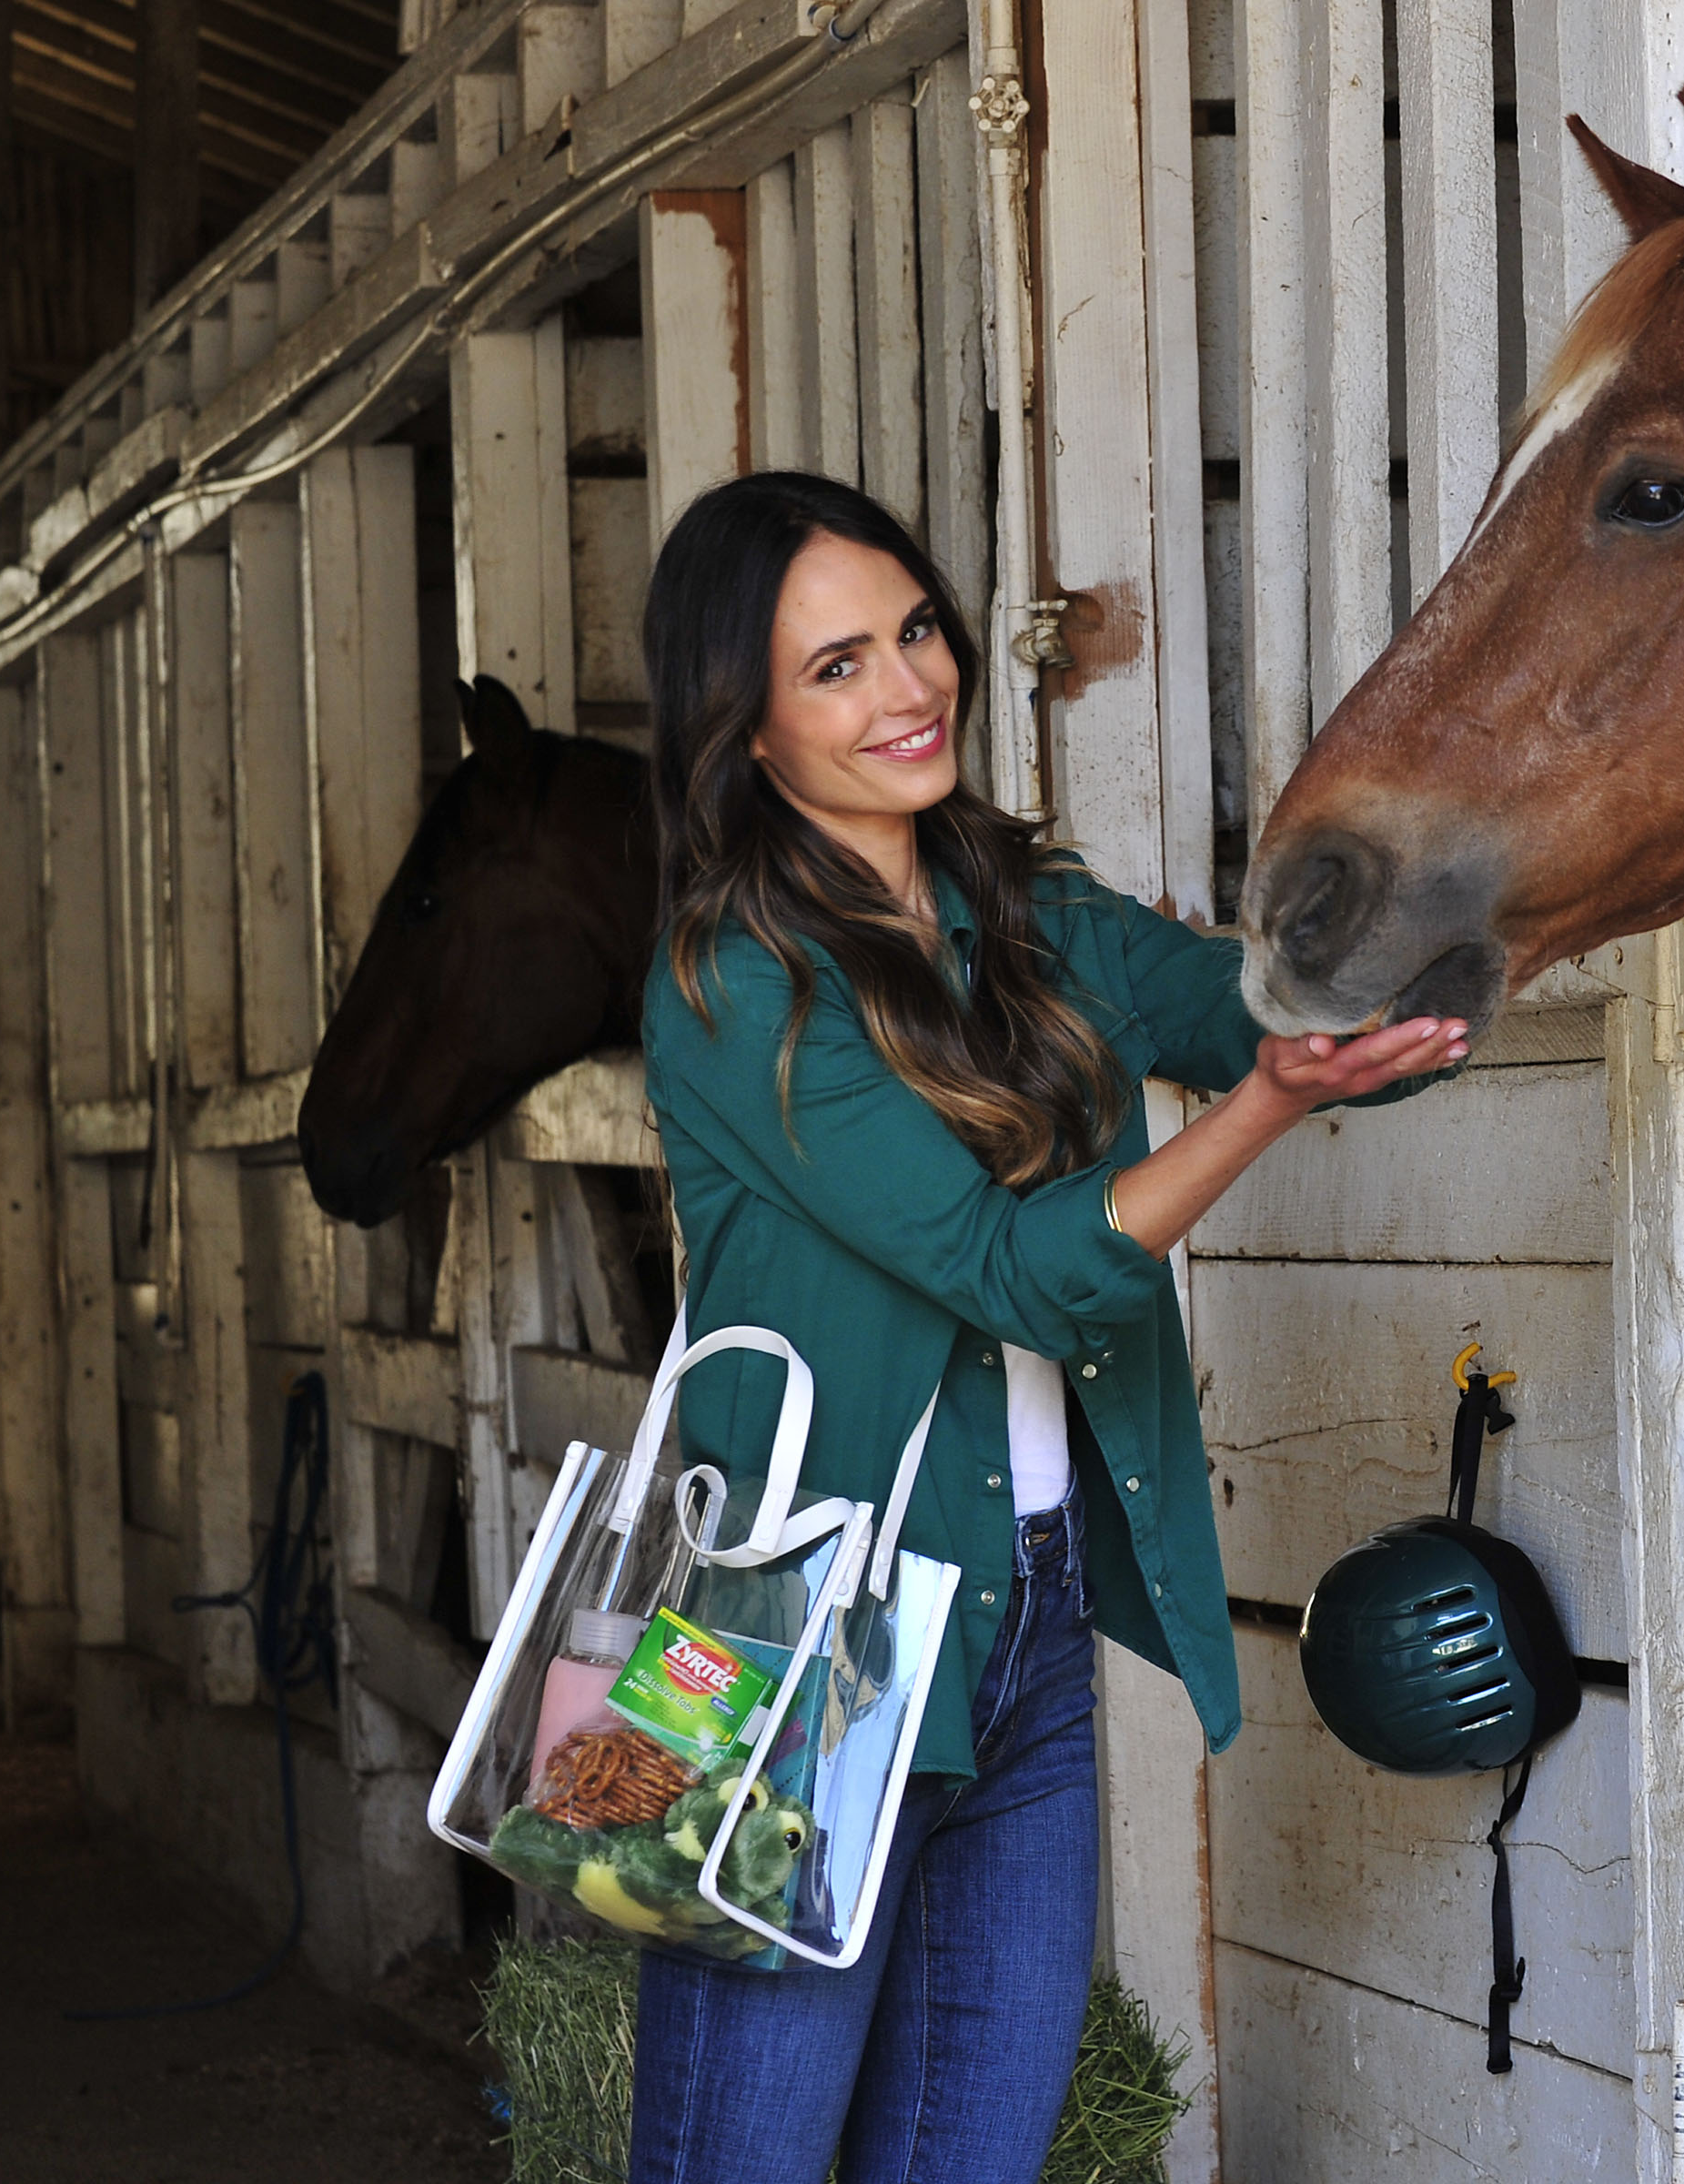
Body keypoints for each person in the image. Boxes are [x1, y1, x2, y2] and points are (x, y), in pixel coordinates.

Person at [628, 470, 1466, 2184]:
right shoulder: (733, 983)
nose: (911, 686)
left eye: (916, 630)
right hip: (786, 1642)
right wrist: (1269, 1112)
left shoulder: (1030, 915)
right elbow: (1011, 1273)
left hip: (1023, 1608)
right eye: (837, 667)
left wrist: (1366, 1000)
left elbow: (1244, 1010)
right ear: (752, 735)